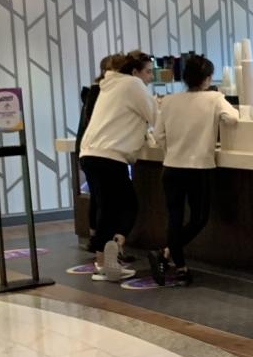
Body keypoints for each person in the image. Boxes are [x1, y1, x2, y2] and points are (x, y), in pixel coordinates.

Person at [149, 52, 237, 286]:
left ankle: (178, 266)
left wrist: (172, 149)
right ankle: (165, 254)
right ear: (207, 78)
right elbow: (233, 118)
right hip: (198, 167)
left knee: (175, 218)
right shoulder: (214, 98)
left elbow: (158, 135)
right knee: (198, 218)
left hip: (171, 167)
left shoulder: (169, 101)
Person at [79, 50, 155, 281]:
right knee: (126, 207)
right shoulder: (132, 85)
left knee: (108, 208)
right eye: (148, 72)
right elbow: (155, 116)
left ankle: (106, 258)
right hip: (110, 156)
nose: (150, 77)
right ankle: (106, 259)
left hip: (90, 153)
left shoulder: (108, 86)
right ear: (134, 71)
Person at [77, 53, 125, 239]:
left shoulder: (95, 91)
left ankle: (95, 238)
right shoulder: (100, 91)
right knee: (104, 200)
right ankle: (100, 241)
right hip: (100, 151)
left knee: (98, 198)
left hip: (88, 150)